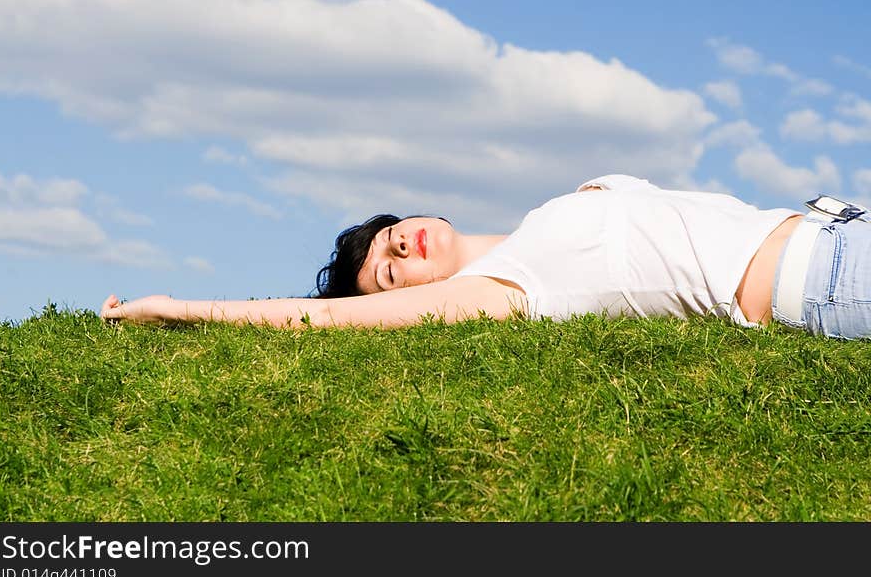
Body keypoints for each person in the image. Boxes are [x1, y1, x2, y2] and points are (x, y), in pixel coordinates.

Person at [100, 173, 871, 340]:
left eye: (388, 237)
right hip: (825, 282)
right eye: (390, 273)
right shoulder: (498, 289)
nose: (397, 247)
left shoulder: (539, 218)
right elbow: (311, 320)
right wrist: (173, 305)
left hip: (840, 227)